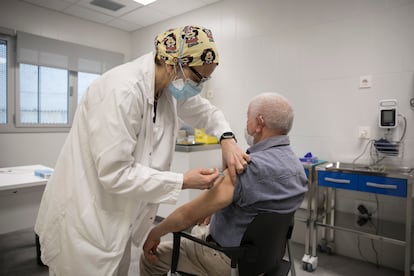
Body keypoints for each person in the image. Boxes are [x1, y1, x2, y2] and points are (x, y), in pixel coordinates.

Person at [34, 25, 249, 276]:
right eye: (199, 78)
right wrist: (183, 181)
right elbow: (115, 172)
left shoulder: (167, 88)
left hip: (118, 218)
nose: (200, 86)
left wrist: (227, 138)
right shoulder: (121, 91)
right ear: (173, 64)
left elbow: (205, 111)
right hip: (85, 217)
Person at [140, 92, 309, 276]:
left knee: (153, 256)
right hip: (265, 260)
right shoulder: (298, 169)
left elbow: (187, 215)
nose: (246, 124)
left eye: (247, 118)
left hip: (229, 261)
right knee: (200, 228)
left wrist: (154, 233)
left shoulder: (247, 168)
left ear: (259, 123)